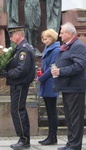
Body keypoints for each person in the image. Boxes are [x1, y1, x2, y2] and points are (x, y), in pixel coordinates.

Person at [51, 22, 86, 150]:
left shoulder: (77, 46)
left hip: (75, 88)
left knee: (76, 119)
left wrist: (61, 71)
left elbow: (79, 66)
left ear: (70, 34)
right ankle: (70, 143)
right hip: (67, 87)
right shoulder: (68, 46)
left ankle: (75, 145)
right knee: (70, 117)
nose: (59, 35)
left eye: (62, 32)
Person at [2, 26, 35, 149]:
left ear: (18, 35)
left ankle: (24, 139)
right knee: (17, 110)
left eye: (12, 35)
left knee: (18, 111)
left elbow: (22, 69)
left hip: (20, 84)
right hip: (17, 83)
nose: (10, 38)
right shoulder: (19, 48)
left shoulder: (24, 49)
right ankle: (23, 138)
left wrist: (7, 74)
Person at [37, 29, 60, 145]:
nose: (44, 41)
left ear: (51, 38)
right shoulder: (48, 48)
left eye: (45, 38)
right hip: (47, 82)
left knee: (52, 111)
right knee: (49, 110)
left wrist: (41, 78)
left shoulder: (56, 49)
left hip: (51, 83)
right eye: (43, 39)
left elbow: (52, 67)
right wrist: (40, 72)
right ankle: (50, 136)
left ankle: (53, 136)